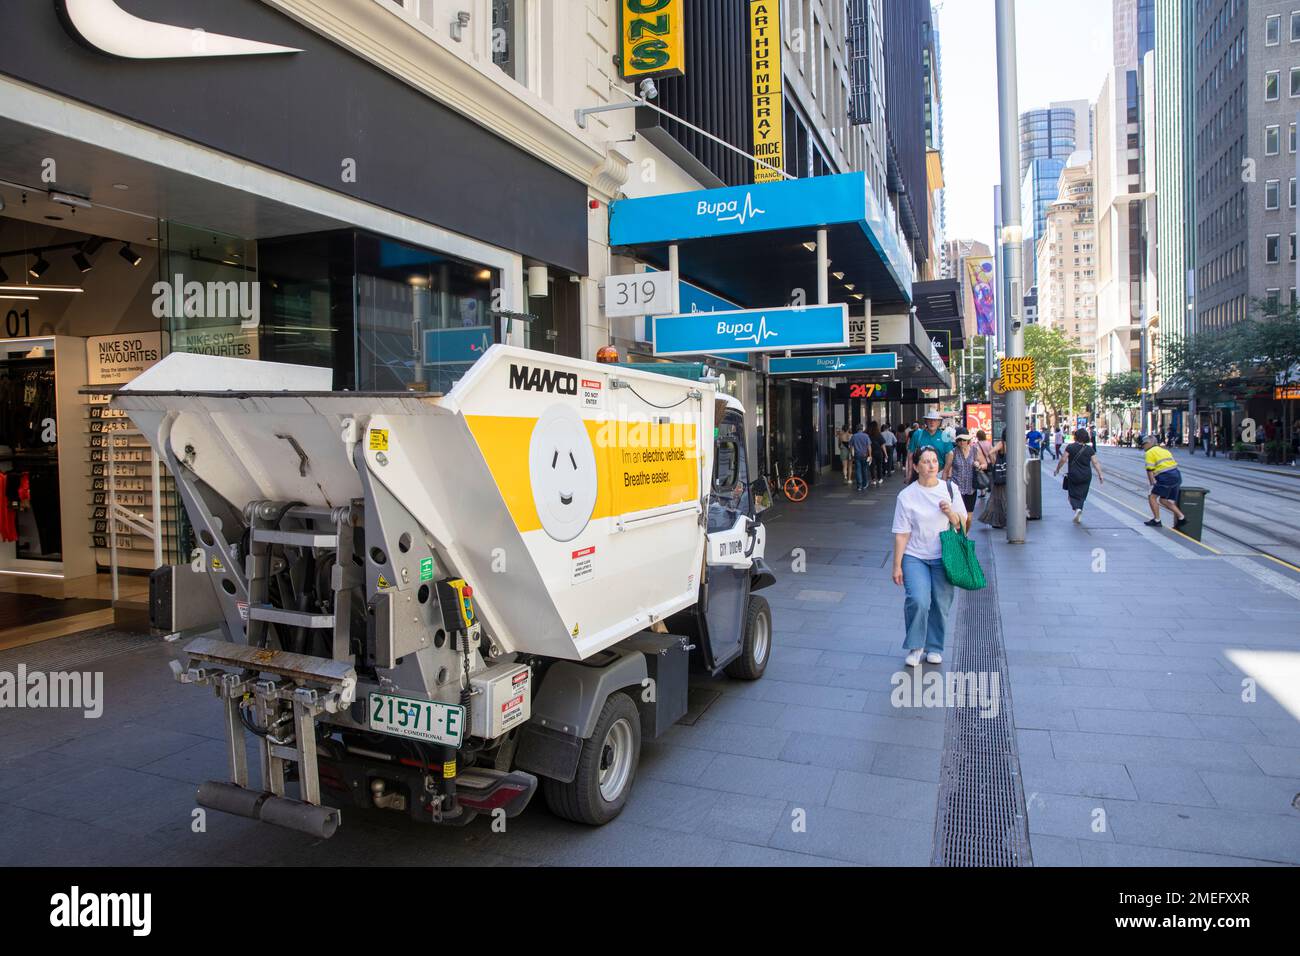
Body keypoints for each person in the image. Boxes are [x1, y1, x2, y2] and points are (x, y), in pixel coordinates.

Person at [892, 446, 967, 667]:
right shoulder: (906, 496)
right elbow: (901, 533)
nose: (931, 465)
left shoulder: (950, 489)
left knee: (941, 603)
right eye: (925, 461)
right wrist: (897, 565)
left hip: (944, 556)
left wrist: (950, 514)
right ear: (915, 466)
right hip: (914, 556)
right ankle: (916, 646)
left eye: (934, 461)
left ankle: (934, 646)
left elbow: (964, 524)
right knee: (918, 600)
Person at [1054, 427, 1104, 523]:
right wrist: (1100, 474)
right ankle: (1079, 509)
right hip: (1086, 475)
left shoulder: (1070, 447)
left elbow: (1063, 459)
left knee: (1071, 495)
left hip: (1074, 475)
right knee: (1082, 495)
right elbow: (1095, 462)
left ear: (1076, 437)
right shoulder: (1089, 449)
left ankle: (1077, 509)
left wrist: (1057, 469)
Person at [1141, 433, 1187, 529]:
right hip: (1177, 476)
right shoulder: (1164, 450)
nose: (1143, 446)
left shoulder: (1149, 453)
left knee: (1152, 497)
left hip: (1165, 477)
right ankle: (1182, 517)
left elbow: (1150, 470)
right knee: (1163, 500)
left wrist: (1152, 485)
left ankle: (1157, 520)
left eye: (1144, 444)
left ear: (1150, 443)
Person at [947, 431, 984, 530]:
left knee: (969, 517)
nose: (962, 442)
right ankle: (961, 538)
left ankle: (965, 535)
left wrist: (979, 465)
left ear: (968, 440)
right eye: (960, 440)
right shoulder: (952, 453)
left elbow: (985, 464)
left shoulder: (975, 451)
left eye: (964, 440)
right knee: (958, 516)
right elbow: (946, 471)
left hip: (971, 488)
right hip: (956, 489)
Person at [907, 411, 954, 481]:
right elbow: (910, 455)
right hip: (920, 474)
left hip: (939, 474)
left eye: (935, 420)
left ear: (939, 422)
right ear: (926, 421)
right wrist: (909, 473)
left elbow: (949, 455)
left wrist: (945, 473)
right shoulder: (917, 434)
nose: (932, 422)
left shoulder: (945, 435)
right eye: (930, 420)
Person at [977, 438, 1008, 529]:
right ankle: (1000, 520)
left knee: (999, 498)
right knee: (1001, 498)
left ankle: (999, 520)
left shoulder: (1005, 443)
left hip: (1004, 475)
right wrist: (995, 462)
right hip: (1003, 476)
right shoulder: (1003, 443)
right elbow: (990, 452)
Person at [850, 424, 873, 492]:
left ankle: (859, 485)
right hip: (864, 455)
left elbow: (851, 446)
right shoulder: (866, 436)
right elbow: (869, 446)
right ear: (862, 428)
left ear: (857, 429)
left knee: (858, 470)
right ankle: (864, 484)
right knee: (864, 469)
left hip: (857, 455)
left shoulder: (854, 436)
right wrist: (870, 455)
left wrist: (852, 454)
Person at [868, 420, 886, 486]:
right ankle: (880, 478)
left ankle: (873, 480)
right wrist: (886, 454)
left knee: (872, 466)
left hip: (871, 453)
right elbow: (883, 445)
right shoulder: (879, 435)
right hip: (879, 452)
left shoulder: (868, 435)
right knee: (879, 466)